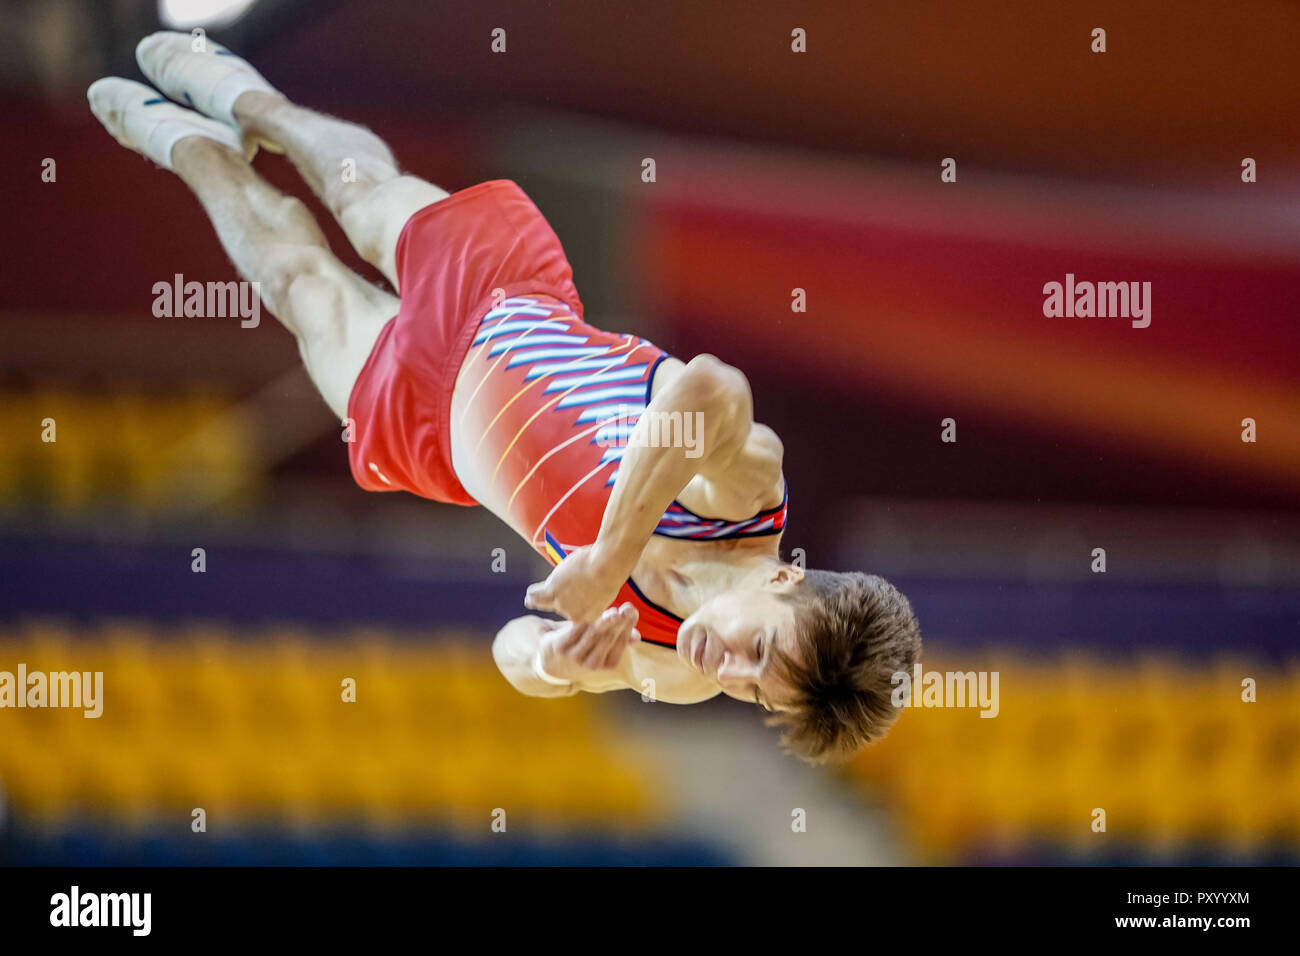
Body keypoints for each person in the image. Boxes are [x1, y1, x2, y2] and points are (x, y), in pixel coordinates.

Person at [87, 32, 921, 762]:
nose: (728, 670)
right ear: (783, 584)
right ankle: (252, 102)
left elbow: (511, 653)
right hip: (500, 301)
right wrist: (610, 559)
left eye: (754, 694)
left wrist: (560, 664)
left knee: (294, 280)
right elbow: (709, 389)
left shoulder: (674, 668)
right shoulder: (743, 499)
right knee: (353, 186)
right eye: (759, 652)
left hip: (437, 433)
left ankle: (187, 146)